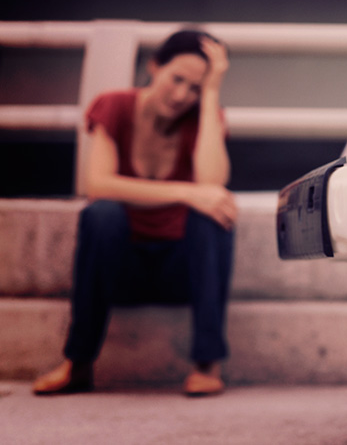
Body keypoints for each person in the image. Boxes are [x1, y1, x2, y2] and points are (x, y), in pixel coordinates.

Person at [32, 29, 237, 397]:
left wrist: (211, 96)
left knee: (213, 215)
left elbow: (212, 184)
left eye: (195, 88)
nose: (182, 95)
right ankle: (78, 363)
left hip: (181, 271)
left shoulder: (204, 117)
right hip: (120, 266)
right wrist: (186, 192)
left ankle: (207, 363)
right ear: (154, 66)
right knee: (102, 214)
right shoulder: (114, 106)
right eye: (177, 79)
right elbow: (98, 185)